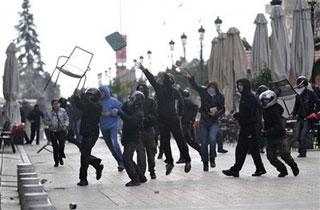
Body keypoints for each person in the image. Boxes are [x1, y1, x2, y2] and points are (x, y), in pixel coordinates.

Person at [139, 64, 191, 175]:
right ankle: (171, 162)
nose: (166, 81)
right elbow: (151, 79)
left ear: (171, 81)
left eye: (167, 79)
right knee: (166, 141)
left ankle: (185, 160)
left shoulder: (173, 91)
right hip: (164, 119)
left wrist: (180, 115)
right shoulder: (162, 88)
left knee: (179, 140)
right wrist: (145, 70)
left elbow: (181, 104)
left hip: (172, 119)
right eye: (166, 79)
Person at [222, 78, 266, 177]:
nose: (239, 87)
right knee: (243, 149)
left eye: (241, 85)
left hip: (250, 127)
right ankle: (238, 169)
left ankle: (256, 168)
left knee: (250, 150)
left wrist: (238, 115)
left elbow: (250, 114)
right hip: (246, 127)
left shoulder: (250, 97)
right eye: (238, 85)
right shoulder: (245, 96)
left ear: (246, 86)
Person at [187, 73, 225, 171]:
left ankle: (212, 158)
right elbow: (195, 86)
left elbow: (223, 109)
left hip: (214, 121)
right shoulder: (204, 92)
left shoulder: (220, 96)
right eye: (210, 87)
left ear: (216, 89)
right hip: (204, 120)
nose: (211, 89)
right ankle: (205, 162)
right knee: (203, 142)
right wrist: (191, 78)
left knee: (212, 139)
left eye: (213, 87)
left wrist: (216, 113)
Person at [259, 90, 299, 177]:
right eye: (263, 100)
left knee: (284, 154)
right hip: (270, 137)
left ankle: (293, 166)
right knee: (271, 157)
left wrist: (266, 132)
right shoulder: (265, 109)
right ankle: (283, 170)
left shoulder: (275, 110)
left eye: (266, 100)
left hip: (280, 136)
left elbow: (278, 127)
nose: (264, 102)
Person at [71, 88, 104, 186]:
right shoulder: (87, 104)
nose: (88, 96)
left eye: (90, 95)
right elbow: (79, 105)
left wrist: (83, 96)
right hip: (85, 131)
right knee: (84, 153)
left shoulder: (98, 106)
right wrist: (76, 96)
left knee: (84, 155)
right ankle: (96, 164)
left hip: (92, 132)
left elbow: (90, 105)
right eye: (87, 94)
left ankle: (83, 179)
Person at [118, 91, 148, 187]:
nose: (131, 100)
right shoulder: (132, 108)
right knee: (129, 158)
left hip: (133, 138)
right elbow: (124, 108)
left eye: (133, 99)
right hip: (128, 137)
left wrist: (119, 113)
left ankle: (135, 179)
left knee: (126, 158)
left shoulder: (139, 112)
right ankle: (141, 177)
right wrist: (128, 101)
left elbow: (130, 121)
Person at [290, 76, 320, 157]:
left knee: (303, 135)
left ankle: (302, 153)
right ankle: (301, 150)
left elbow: (318, 103)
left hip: (308, 118)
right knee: (296, 135)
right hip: (299, 117)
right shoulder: (298, 95)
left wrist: (315, 112)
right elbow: (296, 106)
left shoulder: (311, 93)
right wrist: (293, 114)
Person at [99, 85, 125, 171]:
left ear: (106, 92)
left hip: (113, 125)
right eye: (100, 92)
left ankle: (122, 162)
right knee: (110, 147)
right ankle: (120, 162)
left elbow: (121, 111)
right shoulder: (98, 102)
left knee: (114, 143)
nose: (101, 94)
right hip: (103, 126)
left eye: (102, 92)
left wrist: (111, 113)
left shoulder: (114, 101)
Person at [135, 84, 157, 179]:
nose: (141, 91)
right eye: (139, 89)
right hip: (138, 131)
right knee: (140, 154)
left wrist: (147, 119)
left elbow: (155, 114)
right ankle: (141, 174)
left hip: (149, 130)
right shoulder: (134, 102)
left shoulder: (151, 101)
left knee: (151, 152)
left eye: (142, 89)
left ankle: (152, 171)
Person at [176, 88, 201, 164]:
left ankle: (203, 153)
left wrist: (189, 118)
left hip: (186, 123)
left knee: (189, 141)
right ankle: (183, 157)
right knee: (184, 141)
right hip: (185, 123)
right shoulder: (183, 101)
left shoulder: (185, 101)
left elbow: (195, 107)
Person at [43, 99, 69, 167]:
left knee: (62, 145)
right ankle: (56, 161)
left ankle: (60, 157)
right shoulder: (49, 112)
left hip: (61, 131)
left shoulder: (63, 111)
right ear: (52, 105)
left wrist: (65, 125)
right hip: (53, 131)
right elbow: (45, 121)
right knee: (55, 147)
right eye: (55, 104)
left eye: (57, 104)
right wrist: (50, 123)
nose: (56, 105)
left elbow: (67, 119)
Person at [255, 85, 269, 153]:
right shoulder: (258, 97)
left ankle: (258, 147)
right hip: (257, 118)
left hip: (257, 118)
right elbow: (262, 106)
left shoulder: (256, 97)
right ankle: (260, 147)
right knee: (259, 132)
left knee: (258, 132)